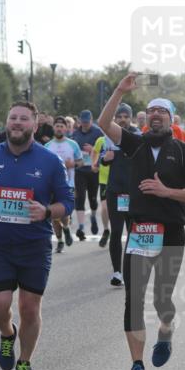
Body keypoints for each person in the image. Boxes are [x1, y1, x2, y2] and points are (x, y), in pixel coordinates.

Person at [98, 76, 185, 370]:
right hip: (139, 232)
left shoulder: (184, 152)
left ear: (171, 120)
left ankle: (167, 328)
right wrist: (119, 91)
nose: (155, 114)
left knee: (162, 299)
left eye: (162, 111)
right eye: (151, 111)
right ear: (146, 119)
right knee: (133, 298)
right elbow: (105, 123)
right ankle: (137, 365)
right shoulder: (135, 142)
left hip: (172, 233)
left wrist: (166, 191)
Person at [0, 101, 73, 370]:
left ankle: (24, 362)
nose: (17, 122)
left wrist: (47, 211)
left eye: (24, 119)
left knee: (28, 307)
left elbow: (68, 202)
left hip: (34, 246)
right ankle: (7, 333)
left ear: (35, 126)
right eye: (13, 117)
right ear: (6, 122)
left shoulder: (50, 162)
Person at [99, 103, 137, 286]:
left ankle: (131, 271)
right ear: (115, 118)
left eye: (126, 116)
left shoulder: (138, 135)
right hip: (115, 190)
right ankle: (117, 272)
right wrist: (104, 159)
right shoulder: (107, 136)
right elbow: (102, 159)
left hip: (133, 192)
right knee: (116, 232)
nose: (122, 119)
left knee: (133, 232)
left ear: (131, 118)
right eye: (119, 116)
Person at [44, 117, 82, 253]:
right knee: (53, 215)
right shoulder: (47, 146)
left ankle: (66, 228)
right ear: (53, 128)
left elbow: (81, 162)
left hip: (68, 184)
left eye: (62, 126)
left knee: (65, 213)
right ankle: (60, 241)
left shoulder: (73, 144)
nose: (59, 128)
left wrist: (73, 164)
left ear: (66, 129)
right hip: (51, 185)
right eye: (57, 126)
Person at [70, 110, 105, 240]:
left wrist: (93, 150)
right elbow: (72, 150)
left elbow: (104, 150)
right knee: (80, 198)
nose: (85, 125)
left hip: (93, 170)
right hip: (79, 171)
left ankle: (93, 215)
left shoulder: (98, 132)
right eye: (83, 122)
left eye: (87, 122)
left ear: (91, 120)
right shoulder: (75, 134)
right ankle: (81, 227)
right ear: (80, 121)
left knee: (92, 199)